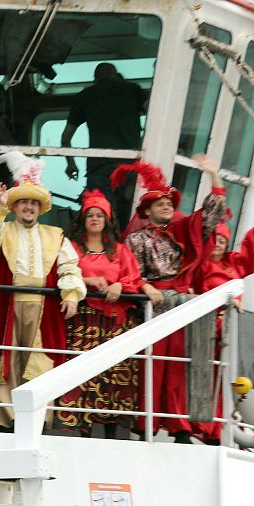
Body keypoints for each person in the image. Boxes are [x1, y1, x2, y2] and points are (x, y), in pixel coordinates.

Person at [115, 155, 226, 443]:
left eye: (169, 203)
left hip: (183, 306)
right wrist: (145, 289)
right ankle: (146, 426)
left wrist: (214, 176)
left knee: (180, 367)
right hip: (153, 306)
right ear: (147, 211)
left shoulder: (183, 232)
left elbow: (211, 215)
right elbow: (130, 273)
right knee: (152, 366)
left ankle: (181, 428)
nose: (167, 206)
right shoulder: (136, 240)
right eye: (160, 203)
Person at [0, 151, 86, 431]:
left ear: (39, 207)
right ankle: (4, 421)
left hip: (44, 306)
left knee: (38, 362)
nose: (28, 207)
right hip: (9, 303)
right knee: (6, 361)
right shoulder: (5, 228)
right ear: (16, 206)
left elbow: (69, 267)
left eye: (33, 203)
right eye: (23, 202)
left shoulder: (55, 234)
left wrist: (71, 295)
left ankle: (37, 419)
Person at [55, 189, 163, 438]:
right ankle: (83, 429)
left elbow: (133, 277)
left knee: (114, 374)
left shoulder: (120, 250)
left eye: (99, 215)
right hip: (85, 319)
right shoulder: (73, 248)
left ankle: (112, 429)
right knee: (83, 372)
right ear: (83, 220)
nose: (94, 219)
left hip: (116, 323)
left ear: (106, 220)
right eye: (90, 215)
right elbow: (61, 271)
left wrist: (119, 286)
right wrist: (88, 279)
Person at [191, 217, 254, 443]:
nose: (218, 244)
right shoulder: (200, 265)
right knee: (204, 378)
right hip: (207, 329)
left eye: (222, 240)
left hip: (229, 332)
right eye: (214, 239)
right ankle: (204, 427)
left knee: (222, 381)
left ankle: (217, 427)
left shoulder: (233, 263)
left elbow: (252, 253)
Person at [61, 62, 147, 227]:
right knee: (132, 218)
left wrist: (71, 164)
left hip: (99, 168)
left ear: (95, 79)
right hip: (131, 167)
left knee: (100, 218)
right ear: (116, 75)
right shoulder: (133, 89)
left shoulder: (86, 95)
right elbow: (155, 116)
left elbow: (65, 138)